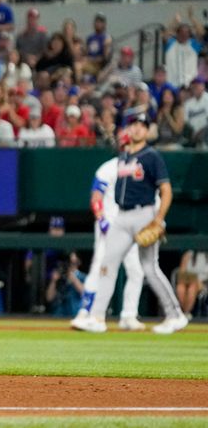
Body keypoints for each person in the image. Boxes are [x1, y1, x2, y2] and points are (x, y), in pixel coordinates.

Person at [74, 113, 188, 334]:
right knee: (107, 264)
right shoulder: (124, 157)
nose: (137, 129)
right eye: (133, 125)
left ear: (147, 131)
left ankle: (175, 315)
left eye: (141, 126)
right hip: (122, 216)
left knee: (149, 268)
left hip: (144, 214)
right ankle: (97, 318)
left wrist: (158, 219)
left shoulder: (152, 156)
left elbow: (166, 190)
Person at [70, 134, 147, 332]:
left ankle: (129, 316)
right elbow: (96, 197)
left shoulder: (138, 168)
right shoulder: (109, 167)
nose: (127, 148)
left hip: (130, 227)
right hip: (110, 226)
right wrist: (102, 220)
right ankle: (85, 313)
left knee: (136, 270)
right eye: (125, 145)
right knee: (100, 268)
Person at [46, 252, 86, 318]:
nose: (70, 265)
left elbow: (85, 294)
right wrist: (53, 281)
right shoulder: (59, 277)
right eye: (69, 263)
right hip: (58, 315)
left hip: (75, 314)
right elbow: (49, 298)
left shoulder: (83, 277)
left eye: (73, 262)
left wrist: (73, 278)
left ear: (79, 262)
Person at [176, 250, 207, 319]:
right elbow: (182, 273)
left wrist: (199, 281)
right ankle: (185, 313)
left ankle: (185, 313)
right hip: (188, 282)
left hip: (204, 284)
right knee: (180, 287)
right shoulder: (188, 254)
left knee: (192, 287)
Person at [183, 77, 208, 147]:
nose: (195, 88)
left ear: (203, 86)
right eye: (193, 86)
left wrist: (199, 133)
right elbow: (186, 122)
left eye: (198, 85)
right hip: (193, 136)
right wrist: (193, 134)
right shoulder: (188, 103)